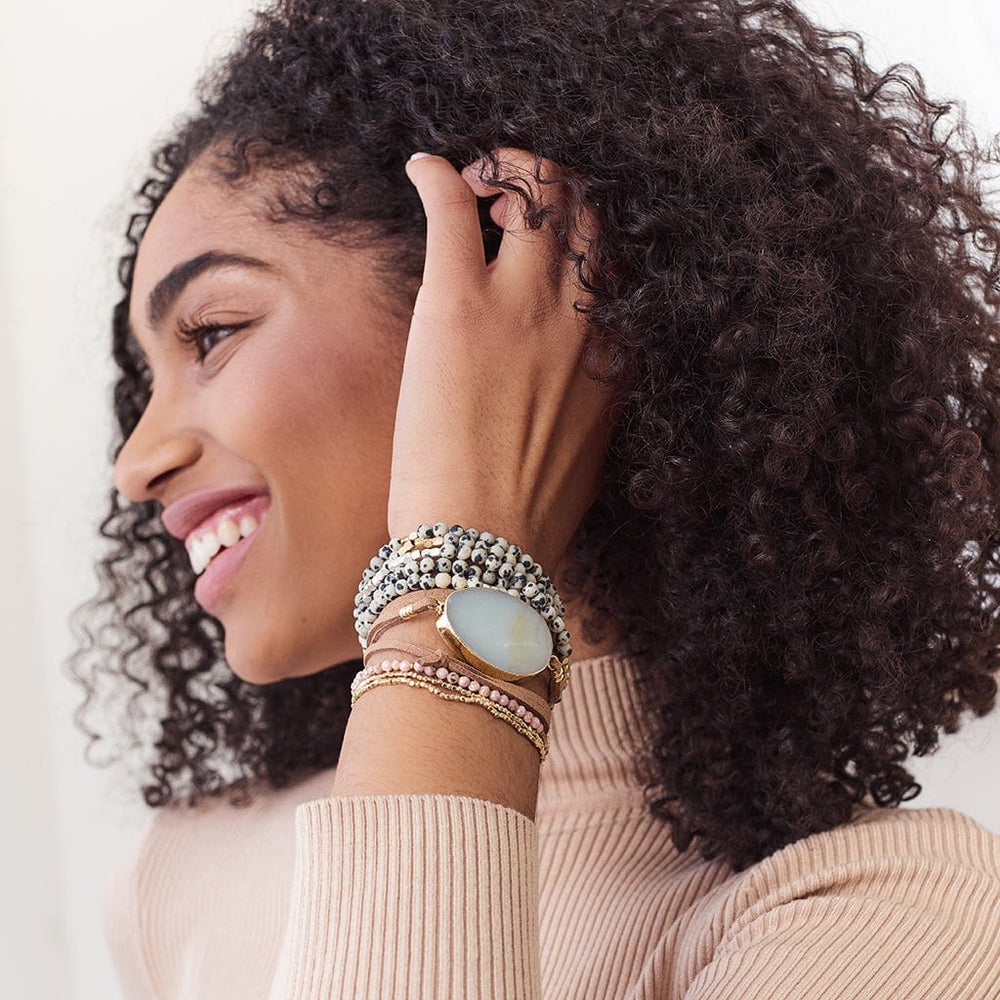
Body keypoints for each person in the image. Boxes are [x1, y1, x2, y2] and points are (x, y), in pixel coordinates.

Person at [70, 0, 1000, 996]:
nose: (137, 464)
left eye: (211, 332)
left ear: (513, 278)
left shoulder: (885, 913)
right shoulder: (181, 884)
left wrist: (455, 570)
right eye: (146, 376)